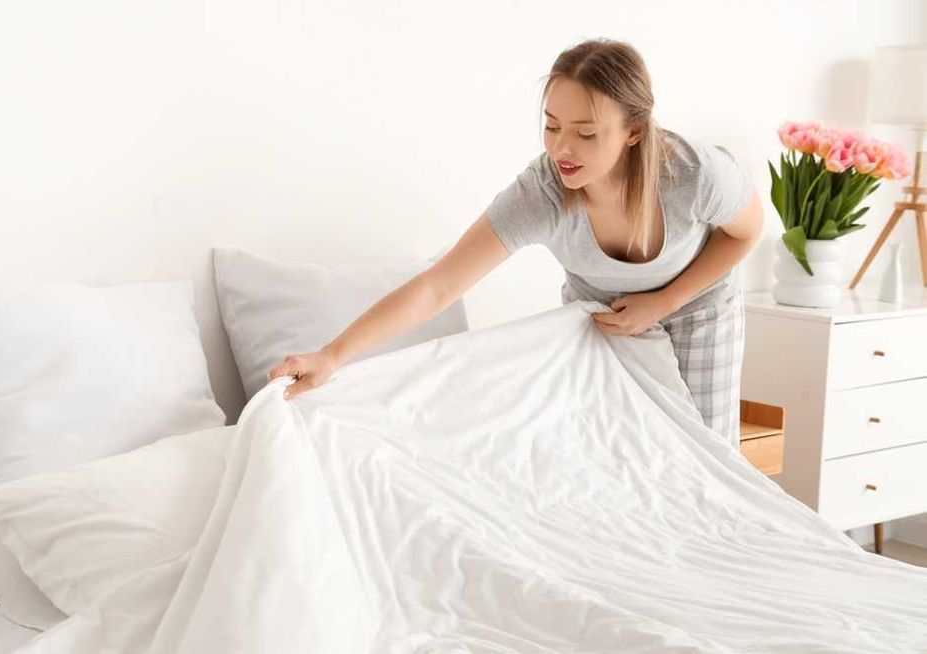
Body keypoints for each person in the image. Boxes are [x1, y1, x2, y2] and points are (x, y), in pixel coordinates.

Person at [266, 37, 764, 449]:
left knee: (708, 453)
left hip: (699, 307)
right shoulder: (542, 194)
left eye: (586, 134)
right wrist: (333, 356)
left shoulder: (694, 174)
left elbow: (744, 233)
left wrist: (664, 301)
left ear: (633, 131)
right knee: (615, 454)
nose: (562, 149)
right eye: (551, 126)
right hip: (605, 317)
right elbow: (438, 287)